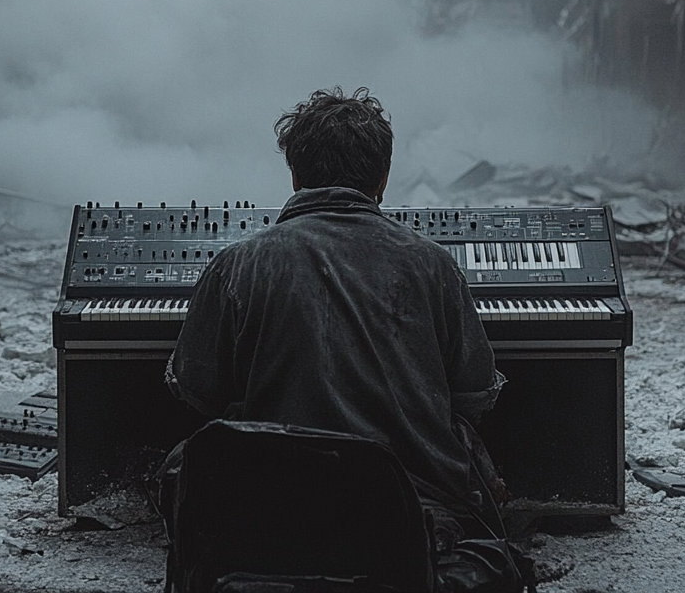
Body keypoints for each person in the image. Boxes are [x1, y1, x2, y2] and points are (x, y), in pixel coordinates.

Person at [164, 87, 528, 592]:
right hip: (406, 513)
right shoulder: (433, 263)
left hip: (269, 505)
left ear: (294, 173)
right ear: (383, 177)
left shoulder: (238, 264)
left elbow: (197, 389)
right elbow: (475, 393)